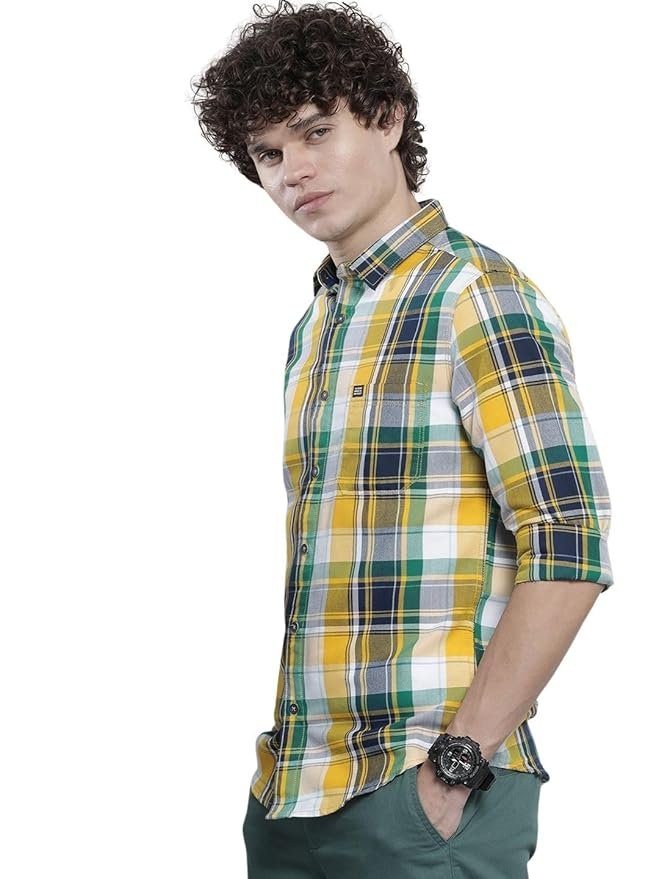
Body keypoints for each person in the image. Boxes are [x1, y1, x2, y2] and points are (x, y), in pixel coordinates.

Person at [190, 2, 615, 876]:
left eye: (315, 131)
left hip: (422, 794)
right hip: (293, 794)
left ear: (387, 120)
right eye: (268, 153)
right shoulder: (318, 324)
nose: (293, 171)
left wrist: (456, 765)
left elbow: (568, 541)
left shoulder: (475, 294)